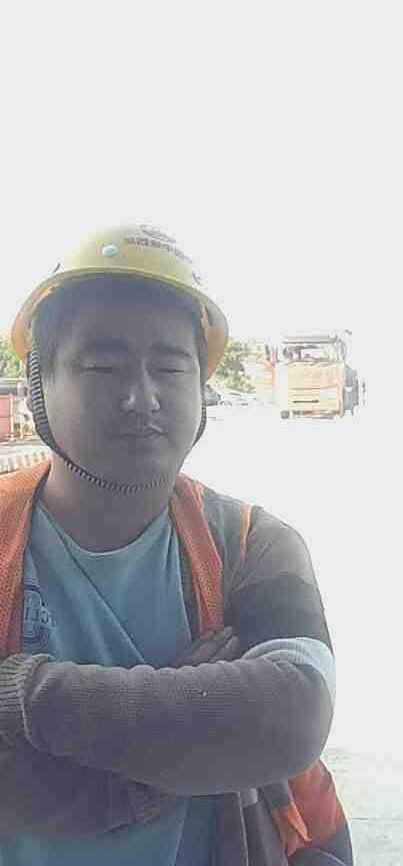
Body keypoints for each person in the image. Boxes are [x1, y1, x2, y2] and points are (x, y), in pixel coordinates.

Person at [0, 224, 353, 866]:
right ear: (36, 388)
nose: (142, 397)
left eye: (169, 366)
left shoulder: (252, 545)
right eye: (103, 366)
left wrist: (21, 695)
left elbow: (294, 713)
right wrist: (188, 728)